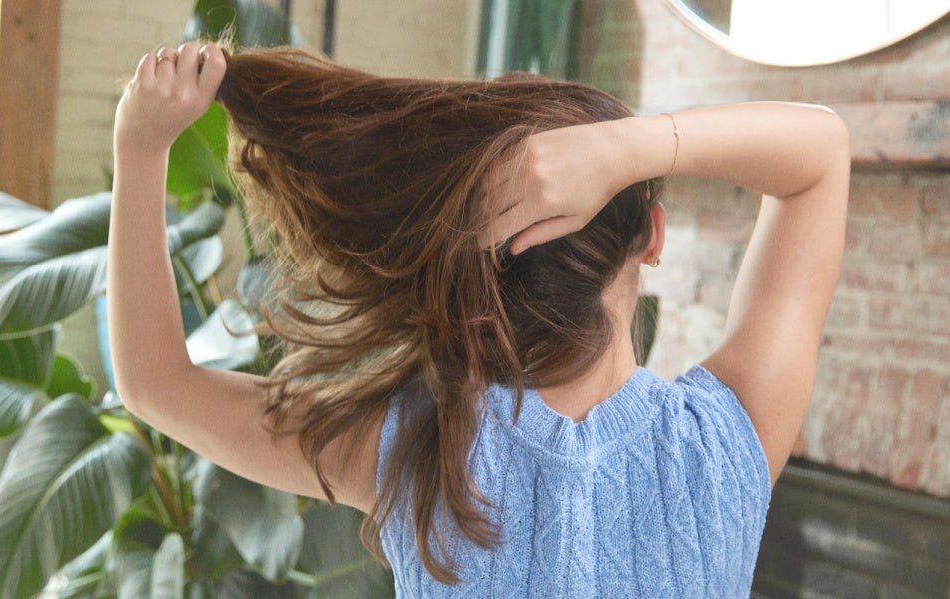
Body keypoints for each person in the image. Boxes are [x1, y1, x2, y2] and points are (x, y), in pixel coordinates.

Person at [107, 42, 849, 597]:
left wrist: (139, 149)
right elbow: (820, 152)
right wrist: (633, 145)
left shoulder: (415, 454)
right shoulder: (728, 439)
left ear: (478, 255)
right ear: (651, 236)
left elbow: (154, 382)